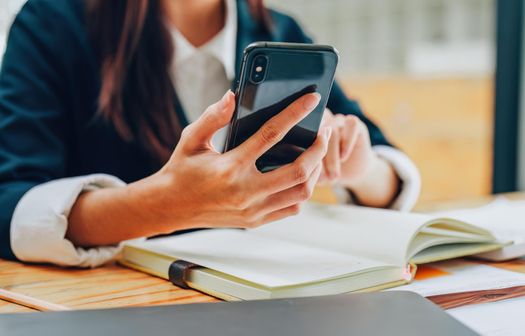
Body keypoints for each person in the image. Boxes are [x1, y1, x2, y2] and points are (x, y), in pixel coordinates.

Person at [0, 0, 420, 267]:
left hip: (261, 301)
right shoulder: (51, 25)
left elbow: (385, 171)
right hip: (112, 309)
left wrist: (358, 167)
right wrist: (162, 206)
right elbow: (11, 206)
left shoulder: (279, 33)